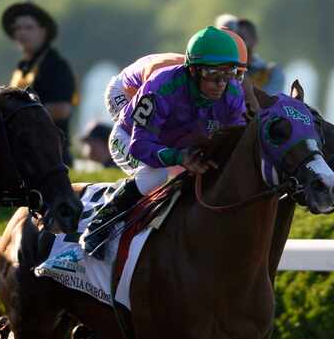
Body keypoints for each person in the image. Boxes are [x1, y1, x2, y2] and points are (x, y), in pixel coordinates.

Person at [80, 26, 247, 258]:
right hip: (129, 137)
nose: (222, 83)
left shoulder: (234, 94)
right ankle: (99, 225)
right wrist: (180, 157)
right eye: (213, 74)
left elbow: (234, 144)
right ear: (194, 71)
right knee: (155, 175)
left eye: (229, 73)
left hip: (173, 138)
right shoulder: (161, 86)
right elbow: (141, 146)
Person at [103, 27, 251, 121]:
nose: (226, 81)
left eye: (235, 74)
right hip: (125, 91)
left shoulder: (203, 74)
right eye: (219, 72)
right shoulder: (164, 73)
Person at [1, 0, 77, 165]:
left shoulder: (56, 65)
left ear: (43, 31)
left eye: (29, 28)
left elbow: (62, 109)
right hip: (23, 152)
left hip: (51, 154)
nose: (22, 33)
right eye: (18, 28)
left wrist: (19, 112)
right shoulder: (21, 67)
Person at [215, 14, 284, 95]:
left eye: (241, 37)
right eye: (231, 37)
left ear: (255, 40)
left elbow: (266, 103)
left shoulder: (271, 73)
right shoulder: (213, 70)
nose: (237, 42)